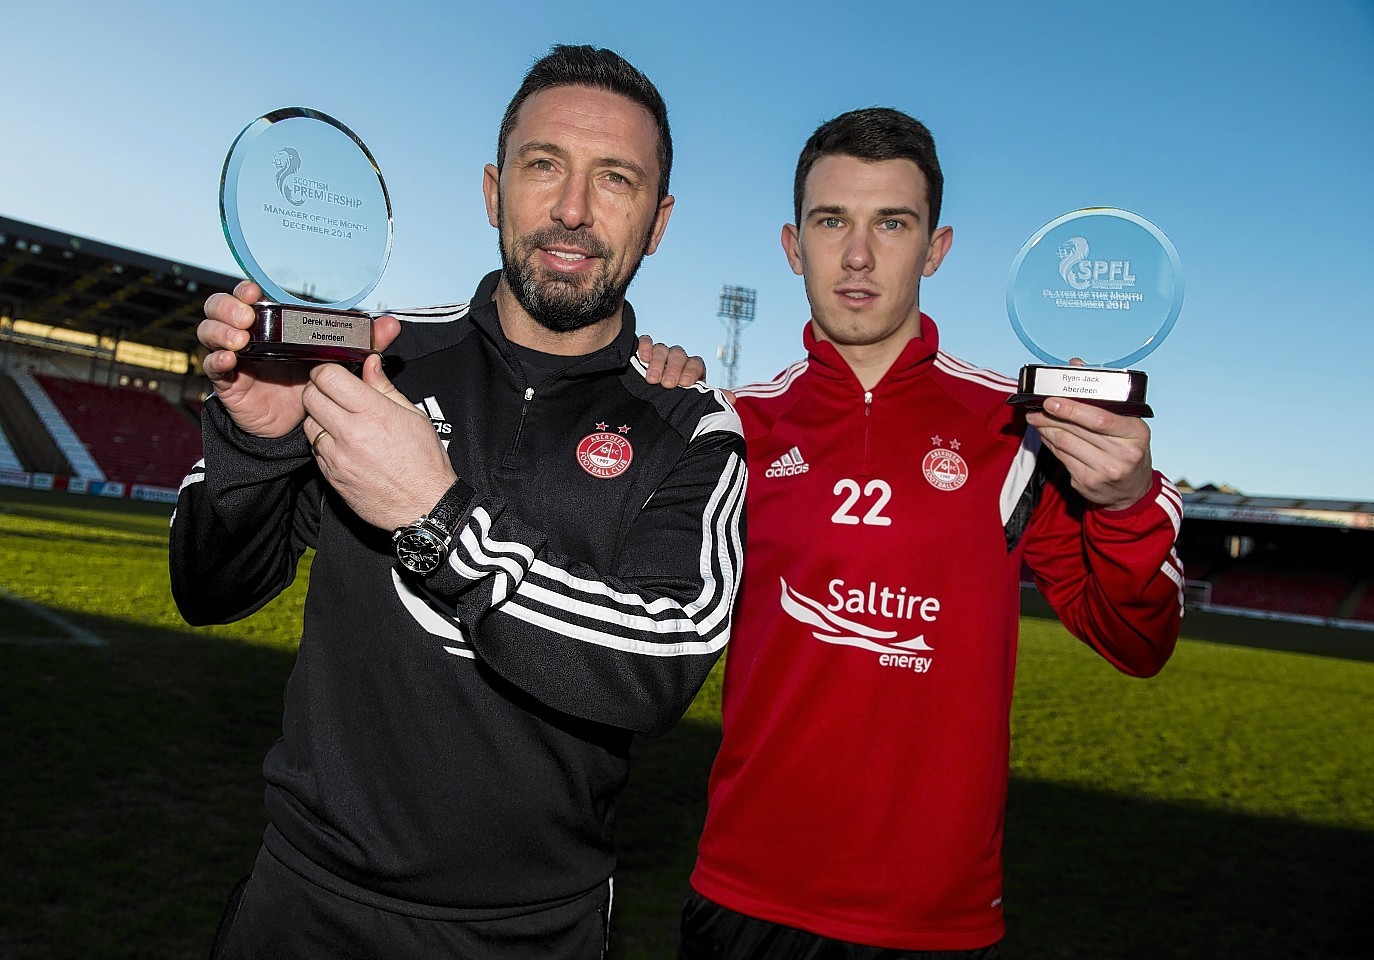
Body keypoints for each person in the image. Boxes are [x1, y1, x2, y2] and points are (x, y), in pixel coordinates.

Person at [170, 45, 745, 959]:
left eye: (617, 179)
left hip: (529, 932)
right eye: (543, 165)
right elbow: (208, 589)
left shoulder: (692, 423)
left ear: (660, 220)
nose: (572, 209)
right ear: (493, 190)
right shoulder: (379, 358)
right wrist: (257, 439)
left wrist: (436, 518)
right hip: (302, 904)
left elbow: (661, 665)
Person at [668, 108, 1183, 958]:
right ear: (794, 247)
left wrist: (1126, 504)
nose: (859, 257)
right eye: (832, 222)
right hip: (743, 899)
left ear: (935, 248)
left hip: (931, 926)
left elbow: (1140, 642)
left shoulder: (1013, 432)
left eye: (891, 224)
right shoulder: (735, 426)